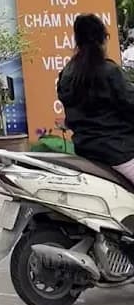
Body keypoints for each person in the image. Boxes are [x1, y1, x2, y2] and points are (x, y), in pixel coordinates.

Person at [57, 13, 134, 186]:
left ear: (77, 41)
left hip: (85, 149)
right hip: (118, 151)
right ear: (104, 39)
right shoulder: (110, 72)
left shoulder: (68, 73)